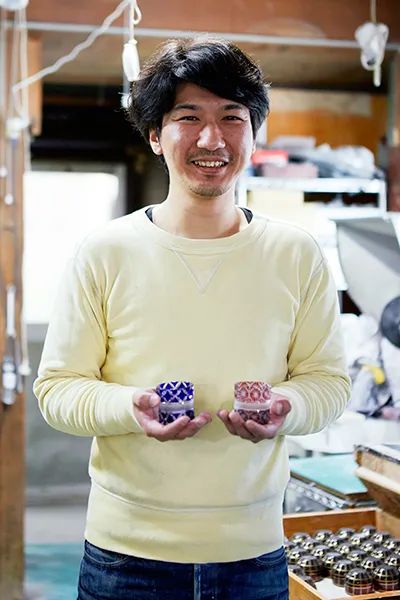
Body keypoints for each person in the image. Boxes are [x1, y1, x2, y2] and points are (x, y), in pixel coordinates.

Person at [33, 37, 351, 600]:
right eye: (188, 117)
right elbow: (57, 389)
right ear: (155, 136)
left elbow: (328, 383)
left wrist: (287, 407)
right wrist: (131, 408)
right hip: (124, 558)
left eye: (232, 117)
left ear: (253, 132)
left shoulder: (295, 254)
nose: (212, 139)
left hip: (254, 556)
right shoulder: (105, 252)